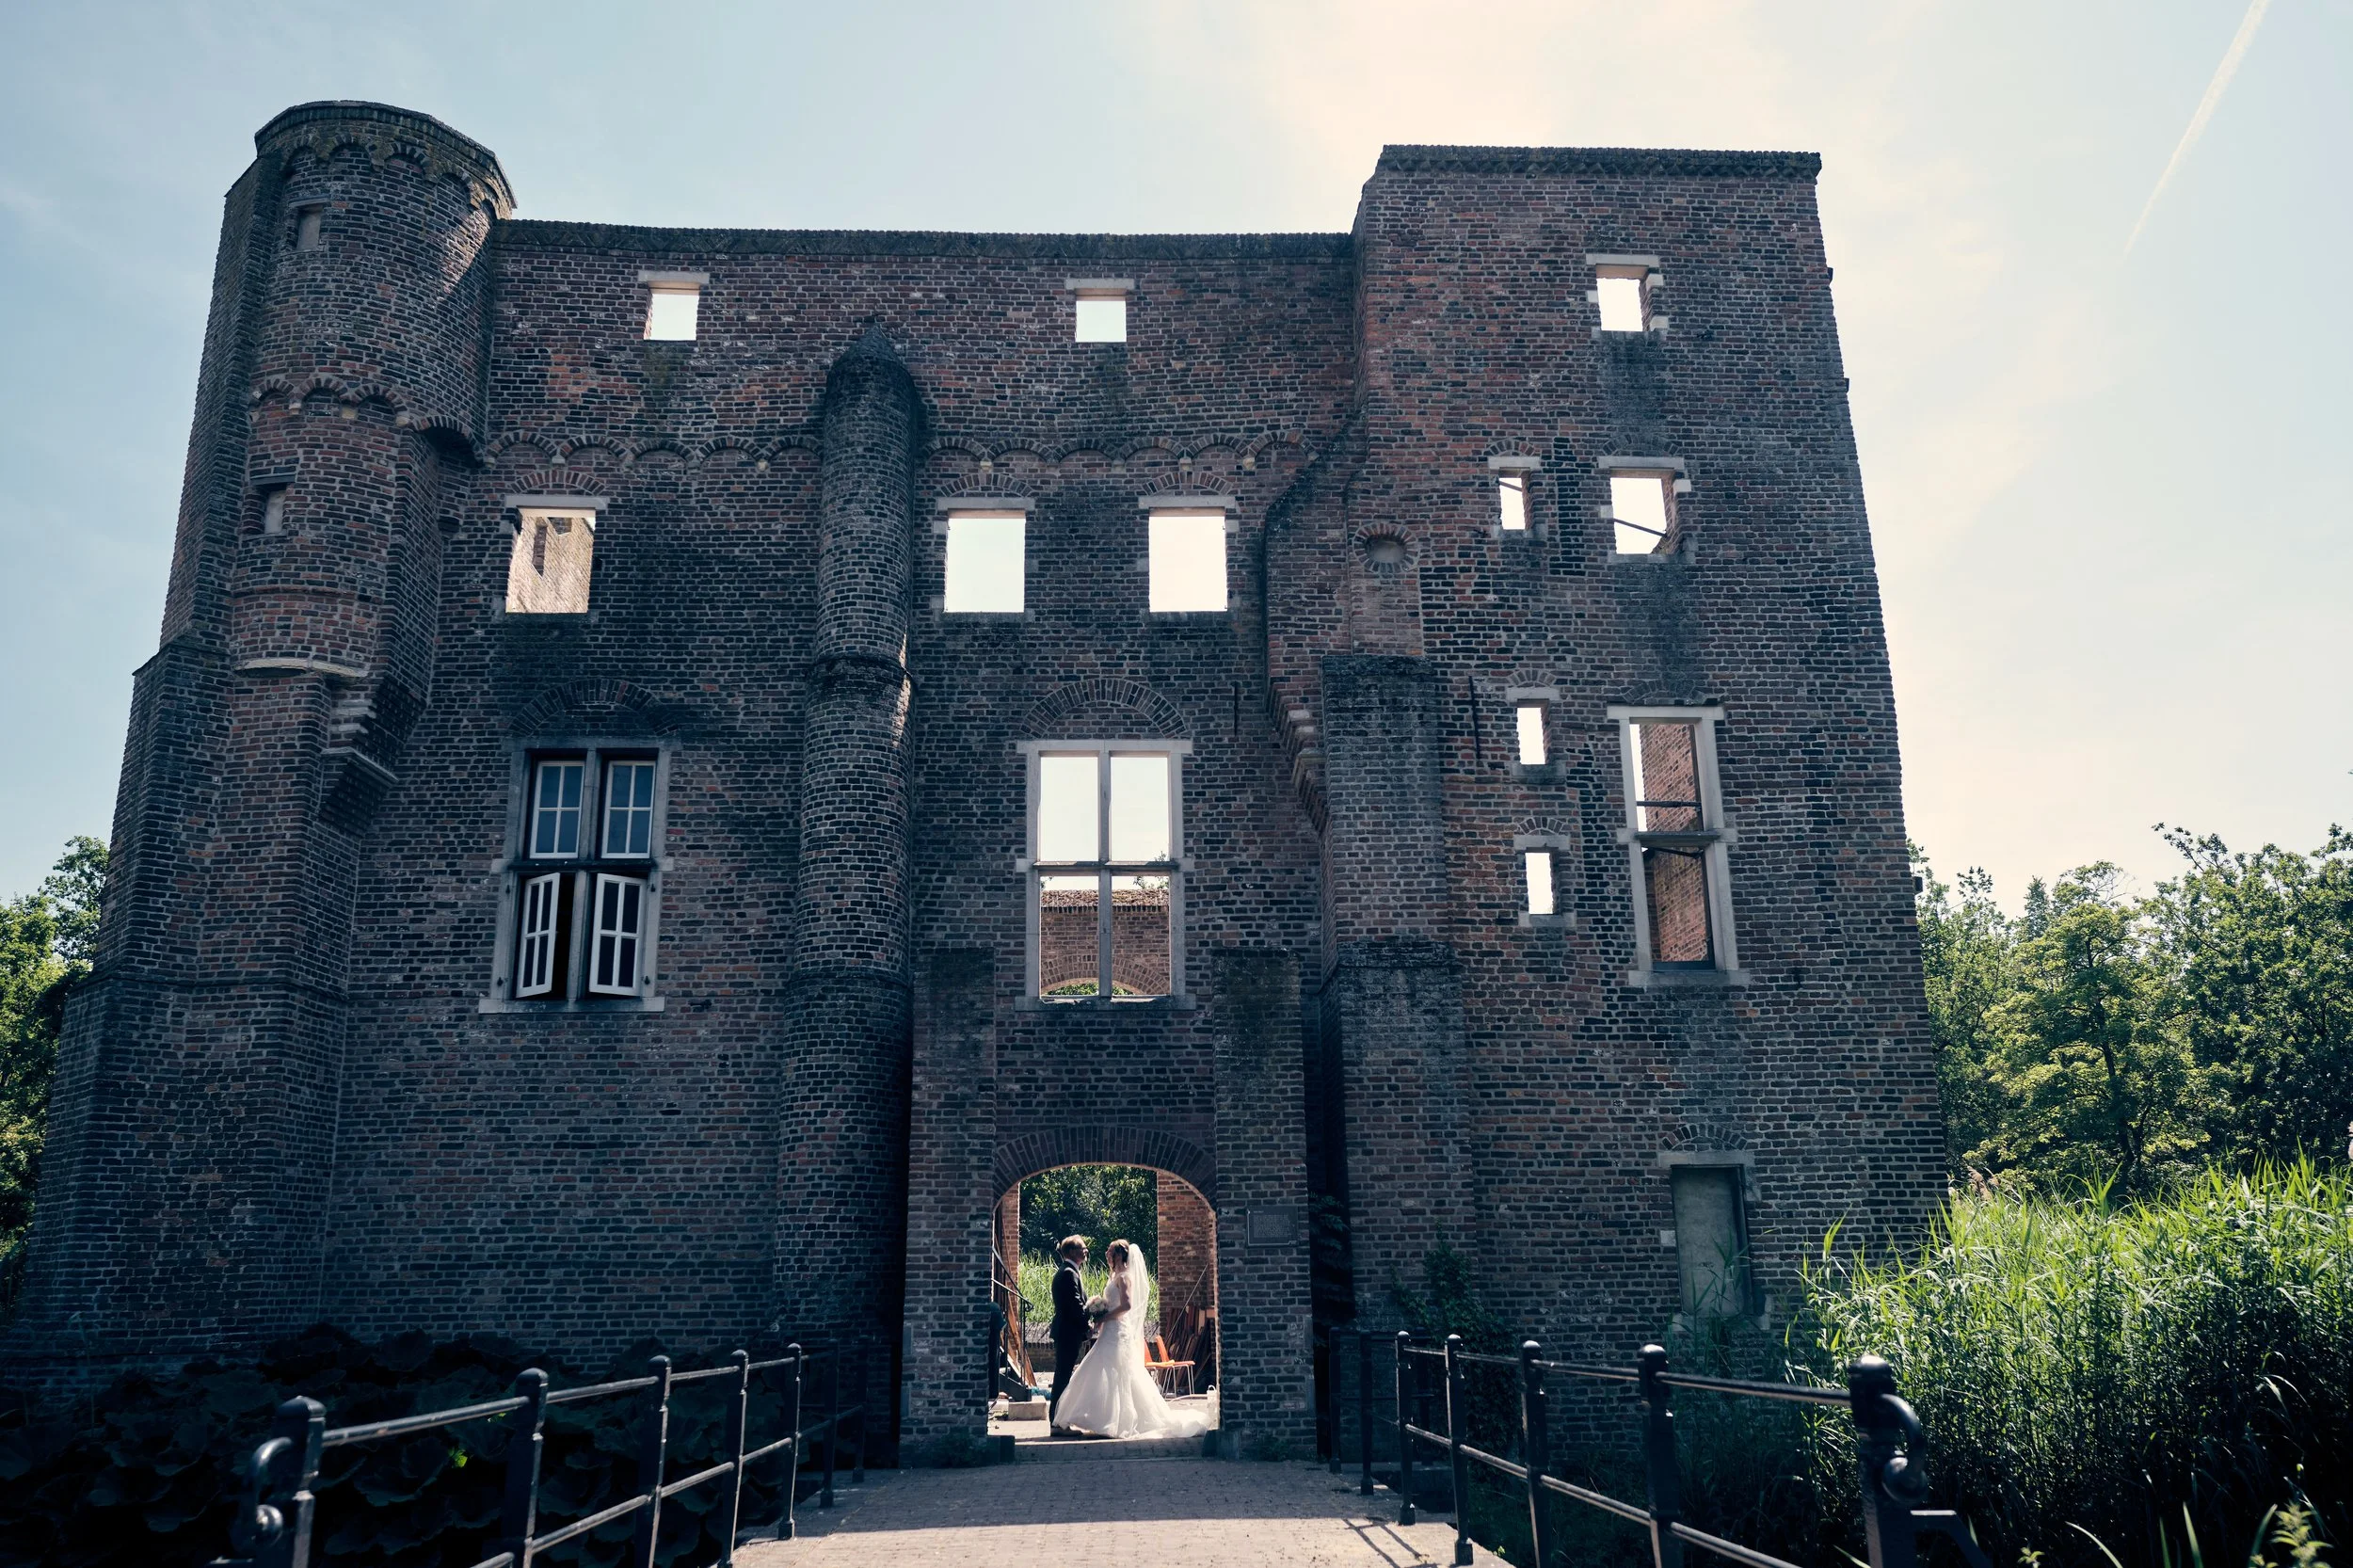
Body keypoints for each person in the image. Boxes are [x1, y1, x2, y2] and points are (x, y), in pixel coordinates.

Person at [1048, 1238, 1211, 1440]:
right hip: (1108, 1330)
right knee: (1101, 1371)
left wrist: (1103, 1317)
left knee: (1117, 1373)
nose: (1105, 1253)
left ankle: (1113, 1421)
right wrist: (1097, 1316)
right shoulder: (1111, 1275)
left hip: (1117, 1330)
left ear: (1118, 1254)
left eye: (1109, 1251)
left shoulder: (1125, 1277)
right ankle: (1096, 1419)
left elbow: (1126, 1306)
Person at [1048, 1235, 1092, 1425]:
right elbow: (1075, 1305)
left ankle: (1058, 1420)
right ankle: (1057, 1421)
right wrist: (1087, 1325)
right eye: (1083, 1248)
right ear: (1073, 1252)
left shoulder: (1069, 1271)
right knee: (1063, 1377)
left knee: (1063, 1375)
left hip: (1067, 1332)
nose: (1086, 1250)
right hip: (1067, 1333)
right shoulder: (1068, 1273)